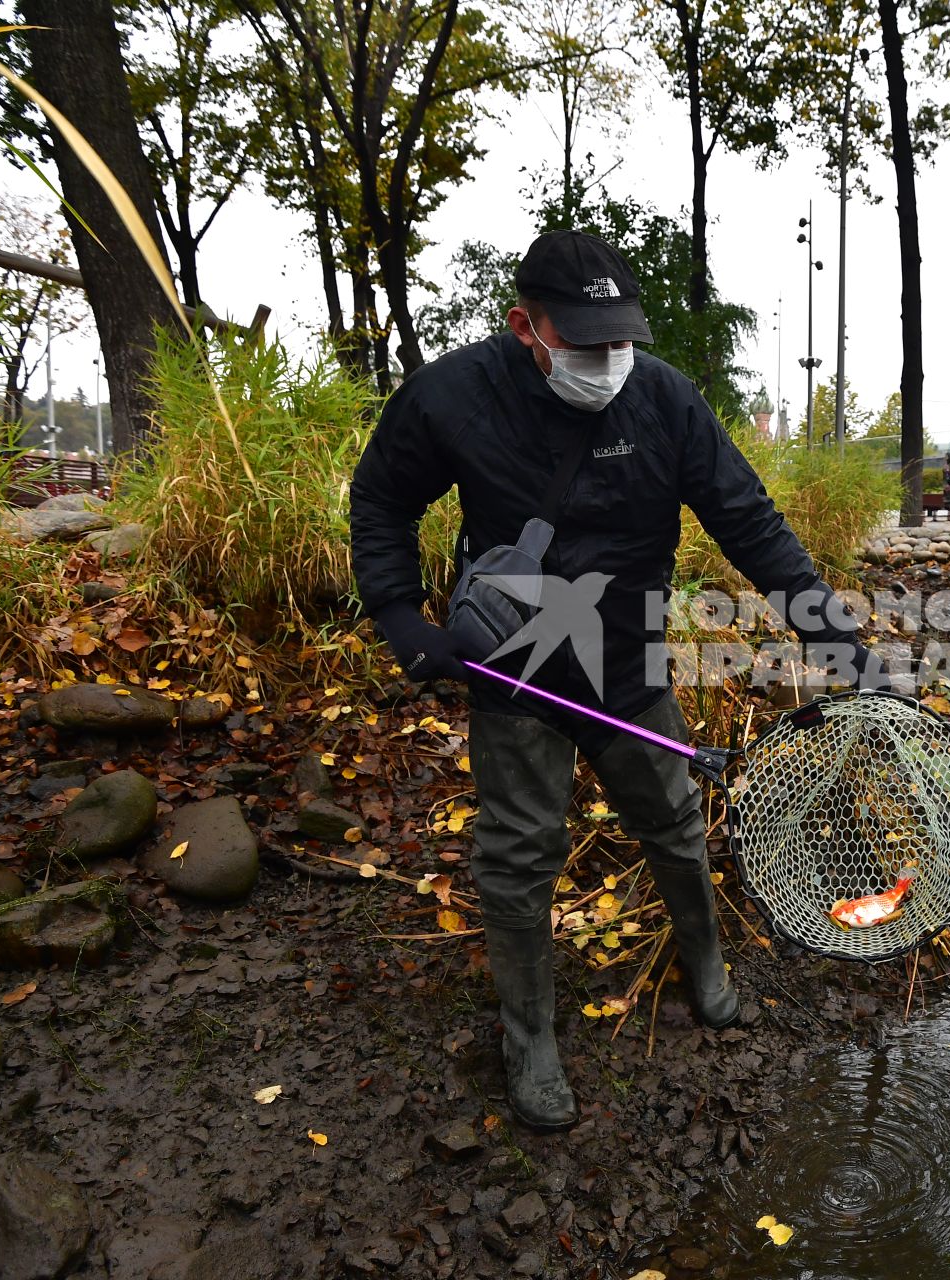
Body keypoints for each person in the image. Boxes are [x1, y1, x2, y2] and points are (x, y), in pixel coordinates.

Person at [350, 229, 882, 1131]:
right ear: (527, 326)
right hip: (516, 668)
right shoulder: (455, 395)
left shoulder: (664, 398)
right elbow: (382, 498)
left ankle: (704, 965)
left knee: (674, 822)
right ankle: (530, 1037)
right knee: (519, 856)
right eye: (585, 342)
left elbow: (747, 520)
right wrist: (401, 614)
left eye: (620, 340)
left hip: (628, 661)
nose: (607, 360)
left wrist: (832, 636)